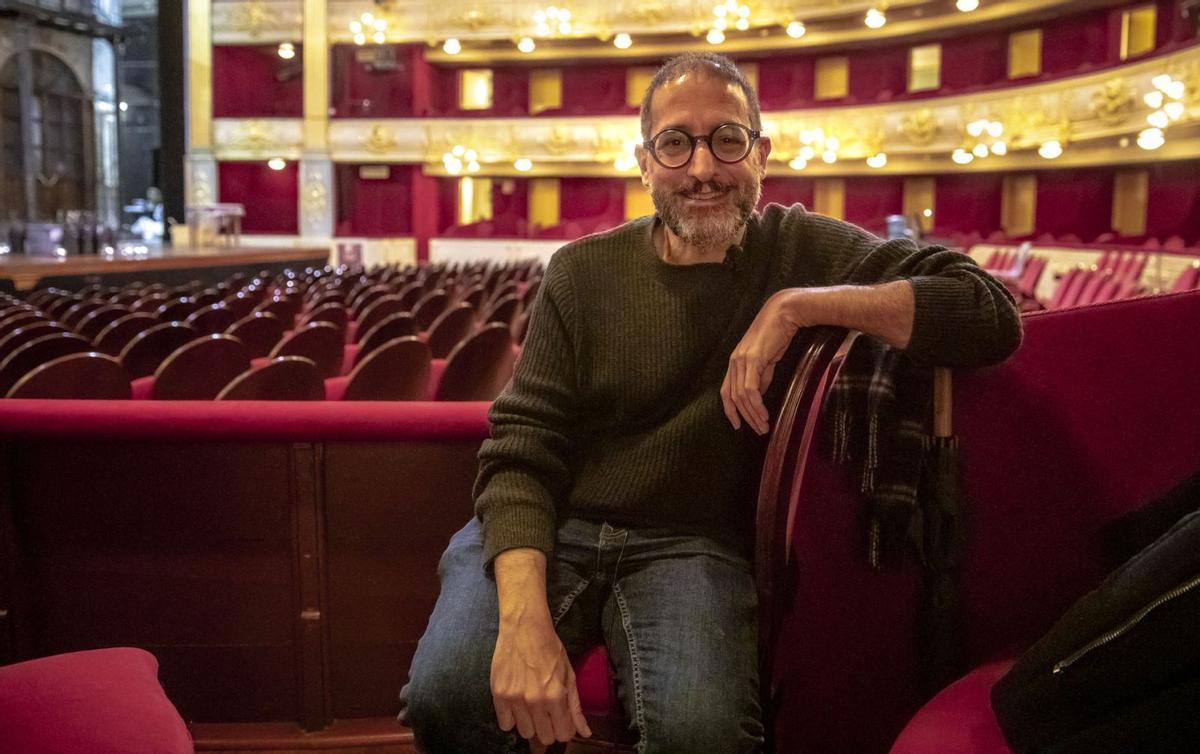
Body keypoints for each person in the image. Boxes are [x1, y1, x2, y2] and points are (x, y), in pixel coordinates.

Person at [400, 52, 1022, 754]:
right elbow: (520, 448)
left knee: (704, 736)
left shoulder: (800, 248)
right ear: (644, 162)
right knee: (448, 695)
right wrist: (521, 621)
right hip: (558, 524)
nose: (702, 168)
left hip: (689, 544)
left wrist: (798, 305)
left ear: (761, 153)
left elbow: (988, 312)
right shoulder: (582, 269)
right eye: (675, 143)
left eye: (727, 139)